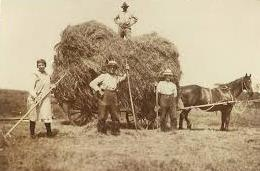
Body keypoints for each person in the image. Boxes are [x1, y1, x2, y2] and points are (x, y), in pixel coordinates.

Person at [89, 60, 129, 135]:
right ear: (108, 68)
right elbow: (92, 83)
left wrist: (127, 70)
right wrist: (98, 90)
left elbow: (124, 78)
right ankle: (101, 132)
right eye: (111, 67)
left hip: (114, 96)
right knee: (102, 115)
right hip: (104, 96)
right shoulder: (103, 76)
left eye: (114, 68)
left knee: (115, 115)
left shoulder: (116, 77)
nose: (112, 69)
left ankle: (115, 132)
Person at [27, 59, 55, 138]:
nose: (41, 66)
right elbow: (30, 88)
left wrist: (52, 86)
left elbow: (48, 86)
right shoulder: (35, 75)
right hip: (35, 98)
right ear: (37, 66)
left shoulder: (47, 75)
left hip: (45, 98)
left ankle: (49, 133)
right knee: (33, 116)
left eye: (42, 65)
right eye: (39, 65)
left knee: (47, 114)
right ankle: (32, 134)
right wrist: (35, 97)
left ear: (45, 65)